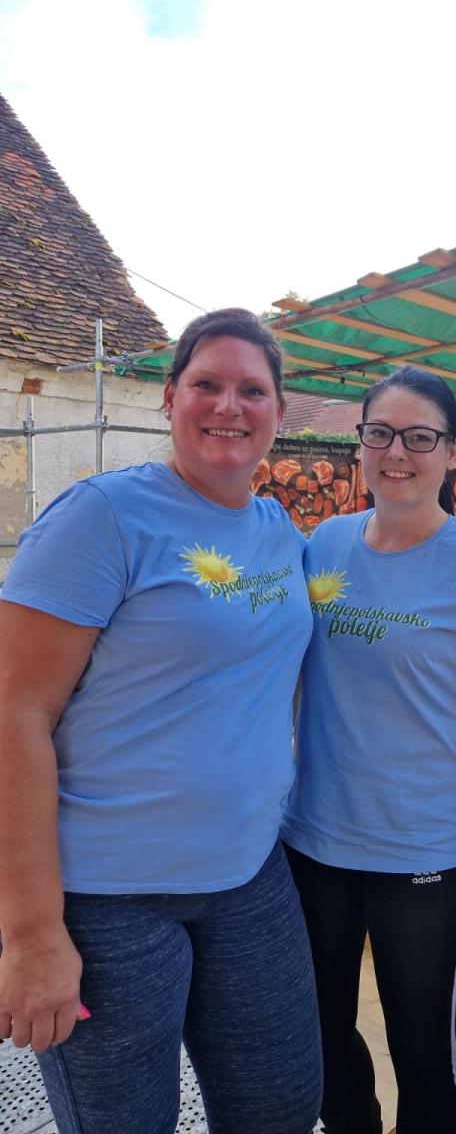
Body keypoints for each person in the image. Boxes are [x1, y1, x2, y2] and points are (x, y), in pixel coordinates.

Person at [0, 309, 322, 1134]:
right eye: (207, 384)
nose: (229, 405)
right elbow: (14, 713)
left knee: (283, 1107)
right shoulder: (103, 517)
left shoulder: (278, 530)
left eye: (252, 390)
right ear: (170, 397)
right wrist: (30, 933)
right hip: (109, 898)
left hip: (250, 876)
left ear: (278, 412)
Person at [281, 364, 456, 1134]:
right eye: (381, 433)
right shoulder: (324, 545)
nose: (397, 452)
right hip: (314, 846)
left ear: (452, 452)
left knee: (423, 1056)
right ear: (359, 444)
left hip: (422, 857)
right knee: (319, 1041)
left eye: (420, 437)